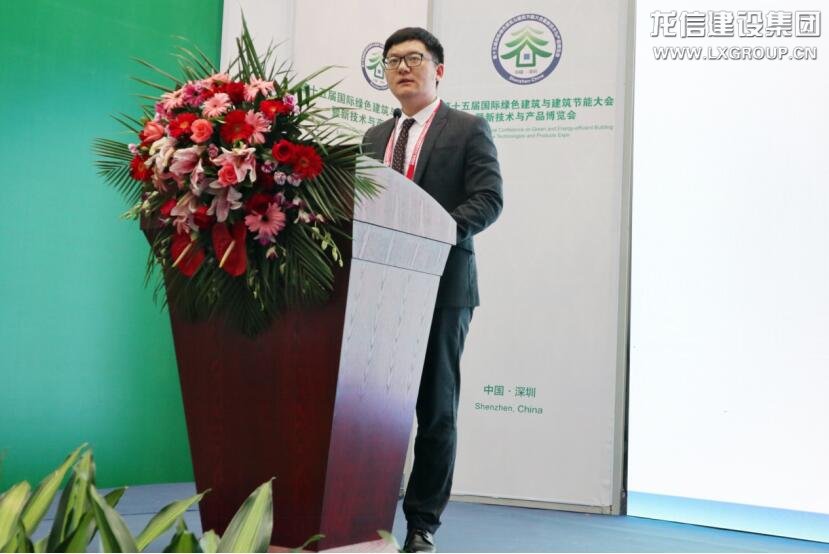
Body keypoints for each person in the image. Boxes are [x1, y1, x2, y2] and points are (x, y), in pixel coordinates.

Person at [362, 27, 503, 553]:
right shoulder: (373, 138)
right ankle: (364, 517)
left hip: (444, 287)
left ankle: (422, 525)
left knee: (436, 410)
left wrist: (431, 235)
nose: (402, 67)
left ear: (437, 70)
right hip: (379, 289)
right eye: (392, 60)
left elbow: (488, 200)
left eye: (414, 58)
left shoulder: (467, 128)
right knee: (369, 410)